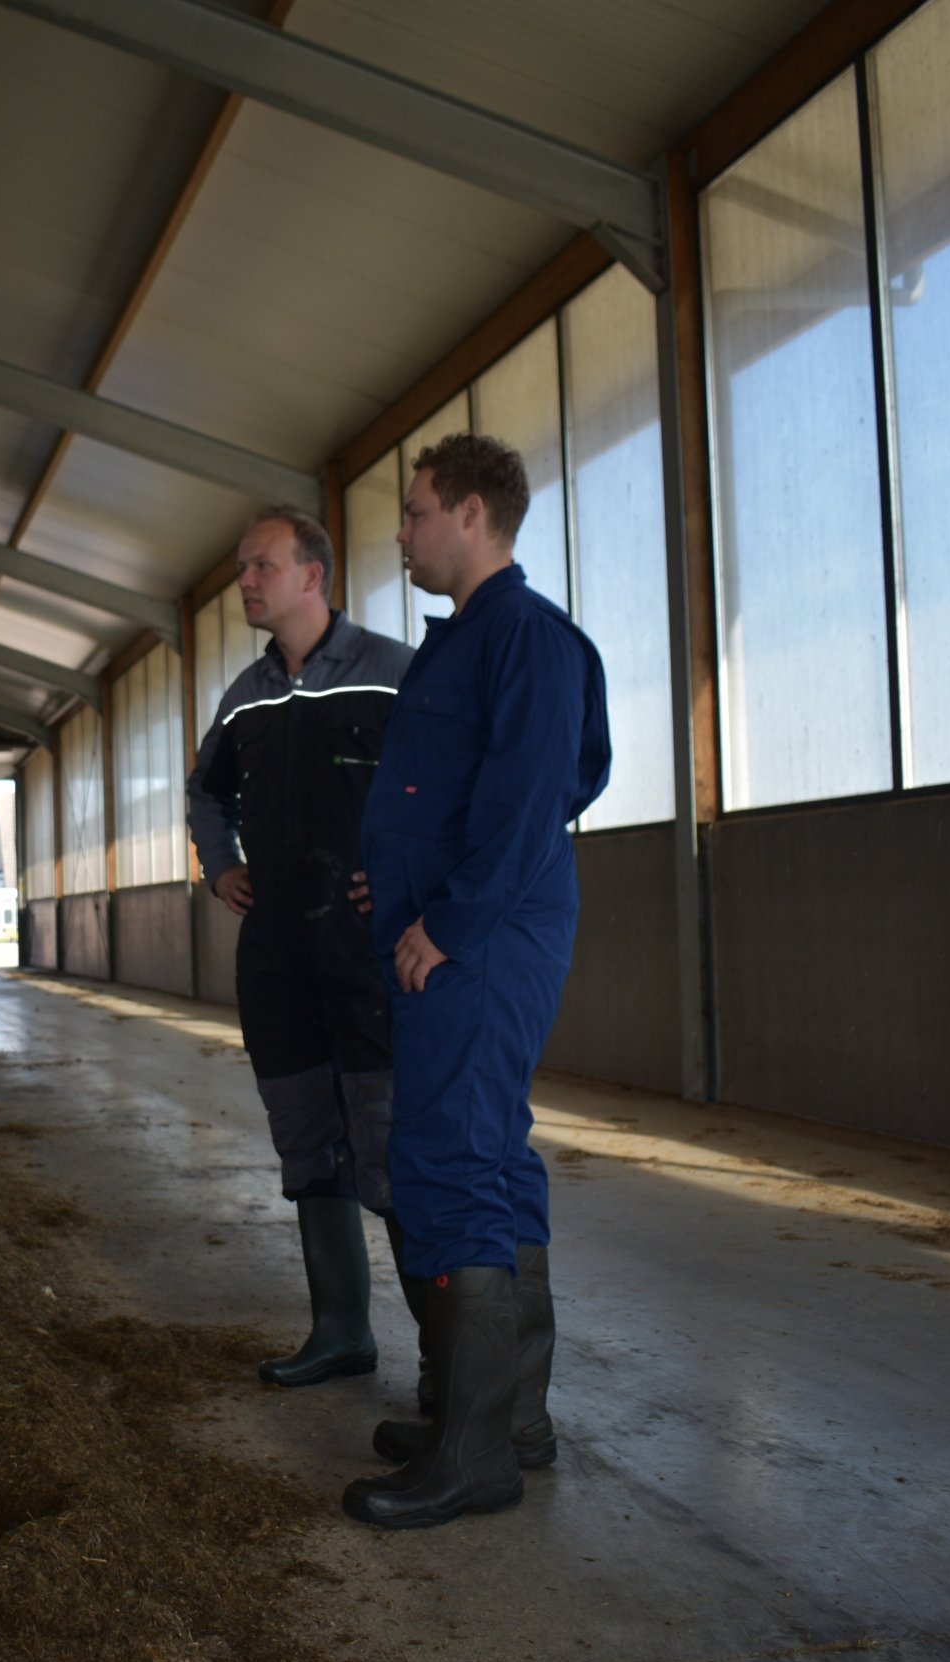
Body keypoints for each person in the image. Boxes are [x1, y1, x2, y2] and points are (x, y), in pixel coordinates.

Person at [344, 433, 611, 1530]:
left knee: (448, 1156)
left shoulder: (530, 640)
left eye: (412, 514)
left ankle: (472, 1456)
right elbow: (446, 795)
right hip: (453, 925)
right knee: (487, 1152)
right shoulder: (459, 644)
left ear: (468, 514)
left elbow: (537, 791)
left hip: (485, 937)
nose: (400, 534)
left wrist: (446, 922)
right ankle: (504, 1420)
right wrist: (396, 880)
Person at [187, 507, 419, 1387]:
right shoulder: (243, 696)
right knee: (306, 1139)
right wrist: (220, 868)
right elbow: (205, 794)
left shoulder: (394, 672)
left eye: (260, 566)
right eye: (243, 568)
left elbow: (448, 785)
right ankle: (341, 1331)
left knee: (389, 1143)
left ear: (312, 574)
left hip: (368, 955)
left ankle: (444, 1360)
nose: (245, 581)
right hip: (278, 953)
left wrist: (407, 880)